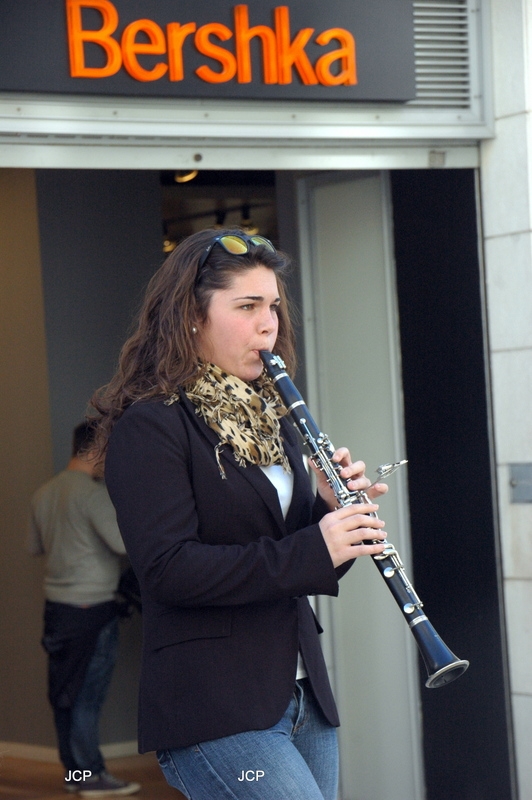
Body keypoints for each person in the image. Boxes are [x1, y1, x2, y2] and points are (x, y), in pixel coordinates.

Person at [91, 228, 389, 800]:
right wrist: (314, 546)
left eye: (272, 305)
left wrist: (333, 520)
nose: (268, 323)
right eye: (247, 306)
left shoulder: (275, 418)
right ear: (191, 319)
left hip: (303, 697)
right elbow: (168, 568)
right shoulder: (153, 426)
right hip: (215, 705)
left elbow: (292, 564)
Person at [28, 421, 140, 797]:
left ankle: (74, 774)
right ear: (95, 450)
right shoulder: (93, 495)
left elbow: (34, 546)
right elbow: (123, 544)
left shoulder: (44, 493)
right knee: (87, 696)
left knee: (65, 693)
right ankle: (91, 776)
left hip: (57, 608)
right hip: (92, 607)